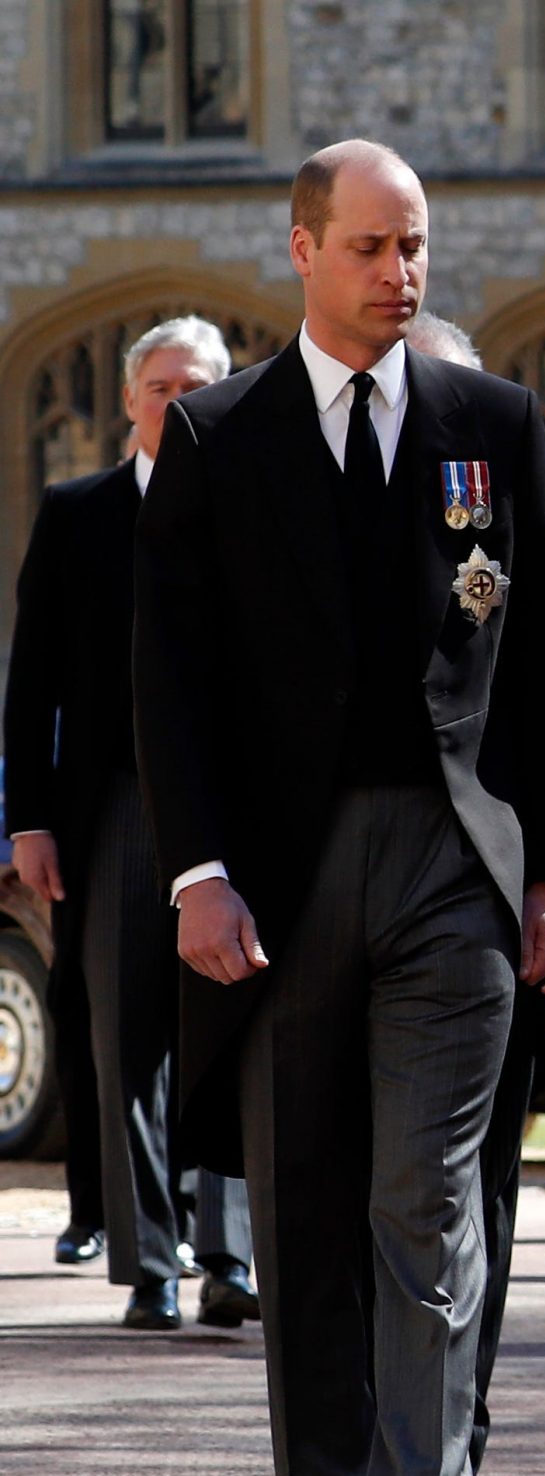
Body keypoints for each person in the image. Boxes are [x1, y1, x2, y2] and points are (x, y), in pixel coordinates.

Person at [130, 141, 545, 1476]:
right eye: (376, 248)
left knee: (429, 1198)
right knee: (315, 1203)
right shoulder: (218, 434)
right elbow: (173, 680)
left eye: (419, 248)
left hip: (455, 868)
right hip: (282, 876)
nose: (404, 274)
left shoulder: (492, 422)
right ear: (302, 251)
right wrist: (197, 873)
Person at [6, 315, 257, 1332]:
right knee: (127, 1038)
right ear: (129, 400)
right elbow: (32, 688)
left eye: (200, 384)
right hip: (115, 808)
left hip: (234, 813)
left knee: (232, 1031)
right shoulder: (77, 515)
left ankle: (229, 1257)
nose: (181, 400)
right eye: (163, 386)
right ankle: (150, 1265)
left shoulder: (257, 512)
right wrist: (28, 821)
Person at [403, 310, 545, 1476]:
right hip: (362, 911)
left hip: (495, 918)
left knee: (475, 1196)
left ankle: (455, 1441)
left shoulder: (534, 543)